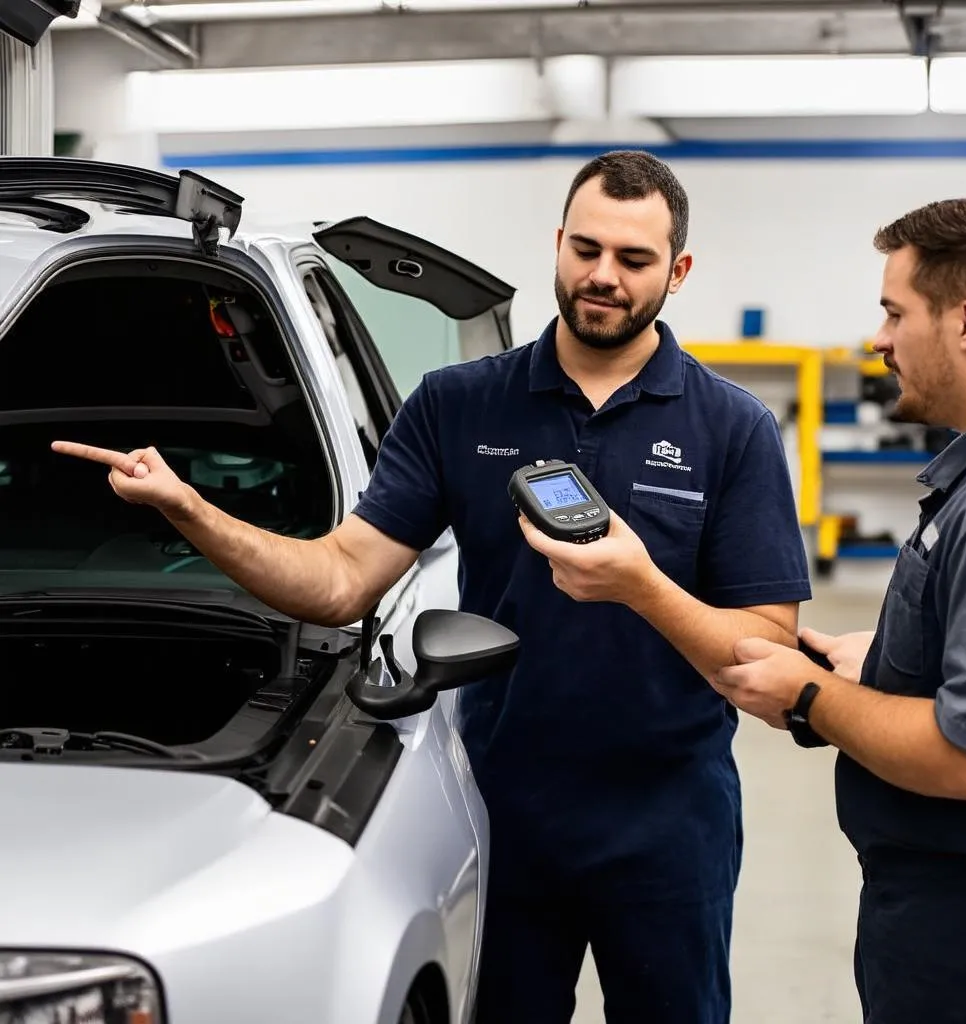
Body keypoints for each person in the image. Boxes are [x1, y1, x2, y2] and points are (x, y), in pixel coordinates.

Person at [53, 150, 811, 1024]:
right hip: (502, 805)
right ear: (558, 242)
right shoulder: (459, 404)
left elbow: (767, 653)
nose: (603, 277)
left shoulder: (733, 428)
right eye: (586, 249)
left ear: (677, 271)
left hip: (669, 819)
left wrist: (640, 586)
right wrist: (193, 511)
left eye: (634, 260)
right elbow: (340, 581)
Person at [713, 197, 966, 1023]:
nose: (878, 339)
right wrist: (880, 665)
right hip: (947, 902)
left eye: (894, 312)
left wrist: (811, 695)